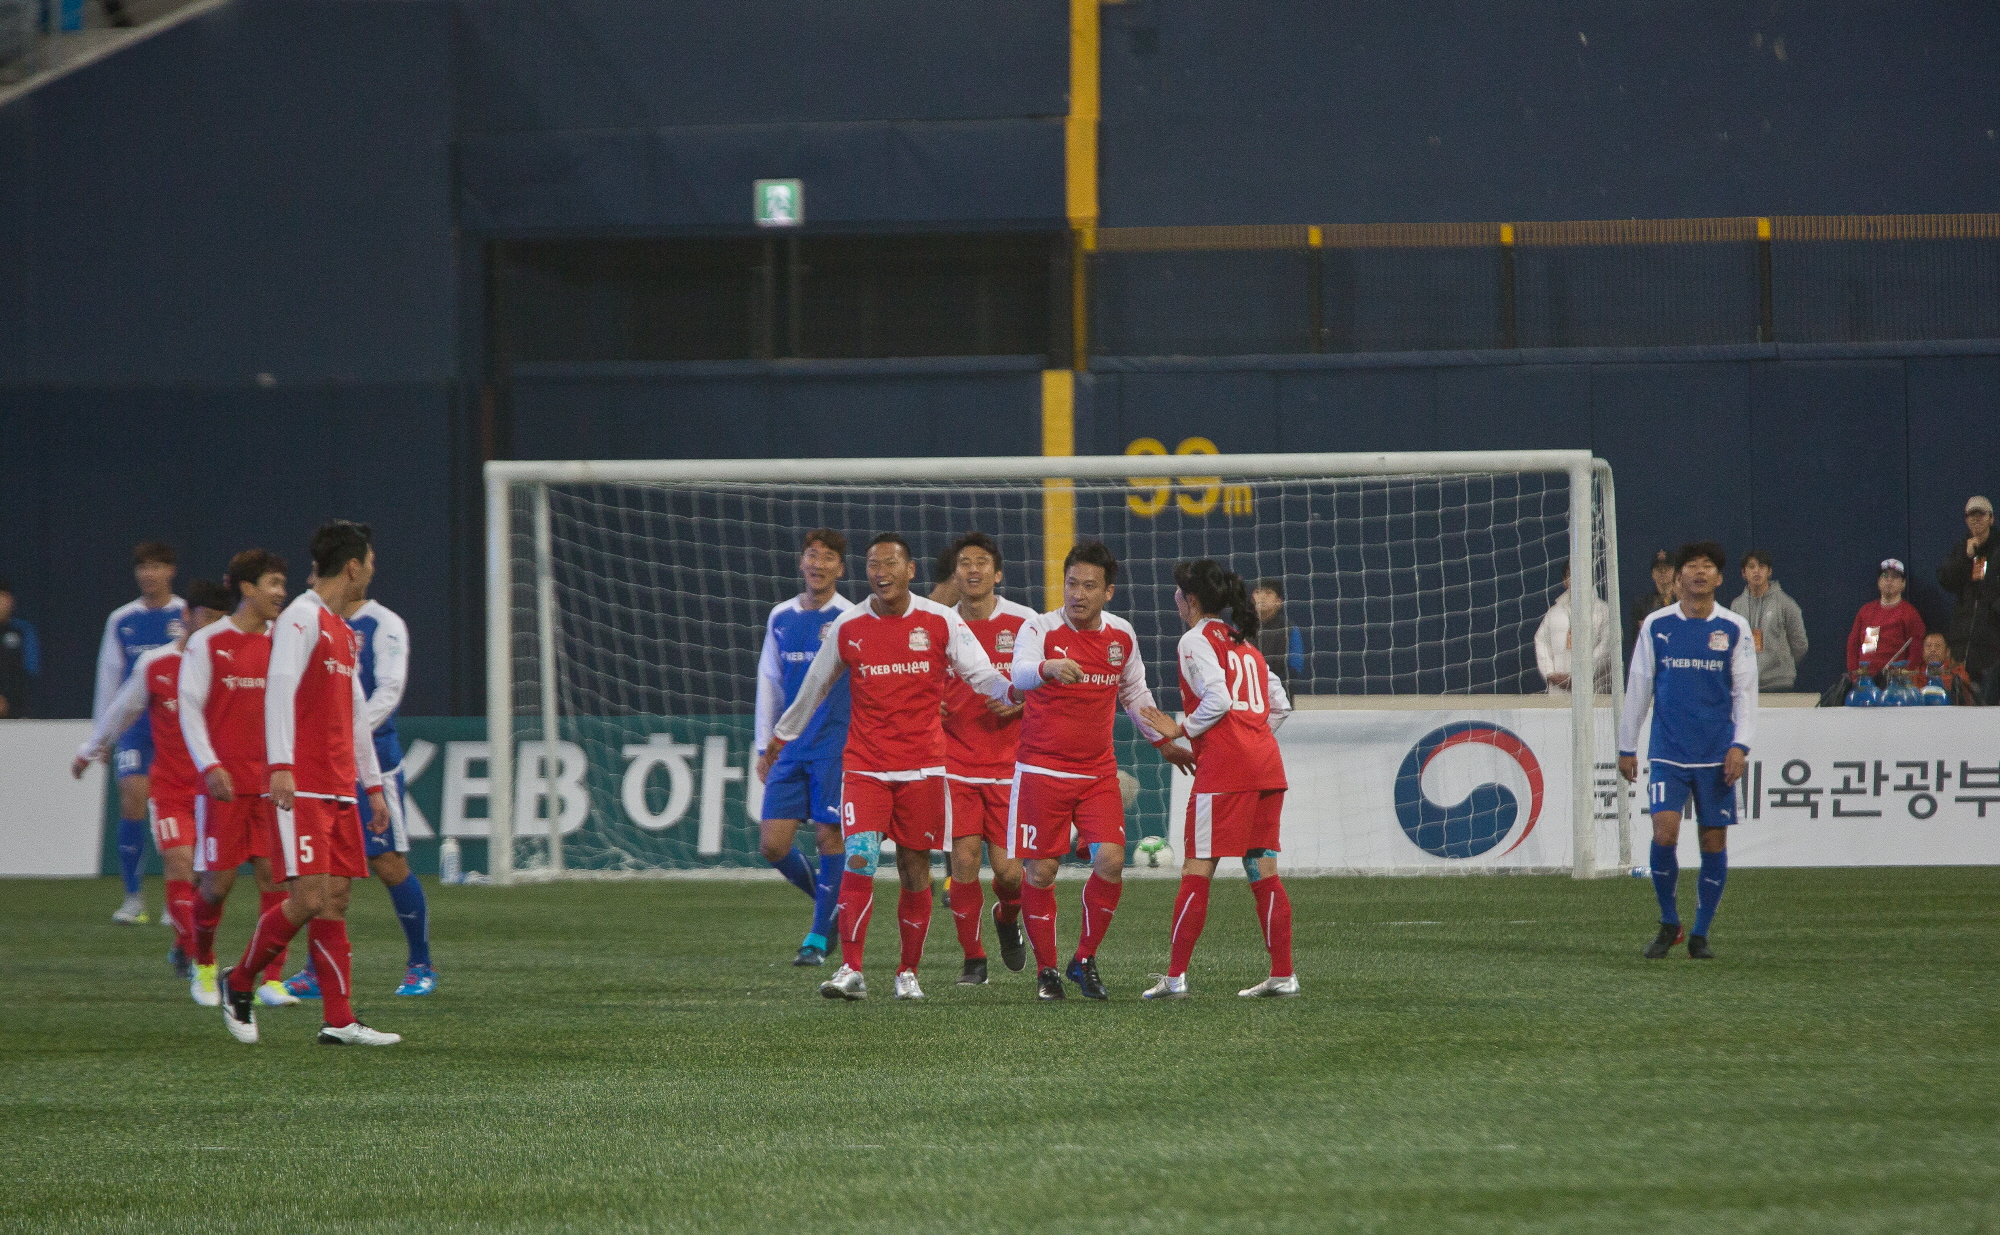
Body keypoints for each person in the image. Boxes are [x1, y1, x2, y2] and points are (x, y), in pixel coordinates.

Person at [764, 532, 1014, 1002]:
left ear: (910, 571)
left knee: (914, 868)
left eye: (890, 564)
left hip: (923, 769)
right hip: (865, 768)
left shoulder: (940, 621)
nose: (881, 572)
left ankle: (907, 971)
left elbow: (980, 674)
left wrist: (1017, 693)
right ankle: (851, 969)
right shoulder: (849, 626)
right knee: (858, 859)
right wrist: (781, 735)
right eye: (874, 565)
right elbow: (814, 686)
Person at [221, 520, 398, 1046]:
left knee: (335, 900)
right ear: (352, 567)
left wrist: (372, 786)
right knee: (308, 898)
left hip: (340, 785)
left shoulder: (343, 630)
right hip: (304, 785)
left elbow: (354, 711)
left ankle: (339, 1019)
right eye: (368, 564)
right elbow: (278, 687)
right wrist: (281, 765)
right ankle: (239, 980)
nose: (371, 574)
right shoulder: (301, 617)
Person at [1006, 541, 1196, 1001]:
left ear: (1108, 592)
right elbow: (1019, 672)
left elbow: (1135, 695)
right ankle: (1046, 971)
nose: (1078, 593)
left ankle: (1083, 959)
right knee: (1041, 871)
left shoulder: (1121, 636)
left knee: (1111, 860)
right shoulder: (1040, 627)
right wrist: (1049, 668)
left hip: (1096, 772)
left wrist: (1164, 742)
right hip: (1041, 769)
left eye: (1089, 586)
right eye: (1072, 583)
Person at [1135, 559, 1296, 1000]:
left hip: (1226, 772)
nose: (1174, 599)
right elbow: (1279, 705)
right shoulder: (1243, 643)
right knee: (1262, 869)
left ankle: (1174, 977)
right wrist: (1251, 738)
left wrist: (1181, 729)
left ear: (1190, 600)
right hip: (1266, 767)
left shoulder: (1195, 639)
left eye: (1178, 593)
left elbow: (1219, 699)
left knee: (1197, 869)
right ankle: (1283, 974)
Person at [283, 559, 435, 998]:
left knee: (389, 863)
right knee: (325, 874)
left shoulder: (384, 624)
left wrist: (348, 733)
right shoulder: (313, 621)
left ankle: (420, 964)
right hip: (322, 766)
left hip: (373, 761)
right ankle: (316, 971)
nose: (311, 579)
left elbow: (389, 689)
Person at [73, 579, 234, 983]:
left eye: (220, 620)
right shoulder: (157, 664)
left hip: (214, 791)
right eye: (206, 618)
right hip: (172, 789)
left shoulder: (229, 663)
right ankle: (199, 958)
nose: (212, 627)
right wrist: (91, 748)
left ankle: (183, 944)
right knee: (178, 864)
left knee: (206, 879)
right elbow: (122, 709)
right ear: (187, 616)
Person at [1618, 541, 1757, 961]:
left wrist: (1740, 745)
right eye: (1691, 566)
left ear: (1718, 577)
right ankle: (1668, 922)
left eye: (1708, 566)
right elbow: (1639, 687)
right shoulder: (1657, 625)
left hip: (1717, 753)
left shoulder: (1734, 627)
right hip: (1668, 750)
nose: (1700, 572)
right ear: (1678, 577)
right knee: (1665, 831)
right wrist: (1627, 745)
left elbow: (1745, 693)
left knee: (1713, 841)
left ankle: (1700, 932)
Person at [179, 550, 296, 1008]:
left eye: (283, 583)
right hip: (224, 786)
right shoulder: (208, 642)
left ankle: (270, 978)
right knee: (217, 886)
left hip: (270, 786)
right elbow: (189, 707)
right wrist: (210, 765)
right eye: (272, 582)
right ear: (247, 589)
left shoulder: (282, 644)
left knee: (276, 881)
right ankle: (203, 961)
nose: (281, 593)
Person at [751, 529, 853, 967]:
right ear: (801, 562)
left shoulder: (851, 617)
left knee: (829, 837)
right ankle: (834, 908)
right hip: (788, 747)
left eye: (828, 557)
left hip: (834, 745)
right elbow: (769, 682)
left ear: (840, 569)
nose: (819, 564)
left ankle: (816, 937)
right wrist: (763, 746)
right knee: (773, 845)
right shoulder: (781, 616)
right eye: (813, 555)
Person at [939, 531, 1036, 985]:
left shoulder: (1025, 622)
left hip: (1011, 765)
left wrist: (1021, 703)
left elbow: (1052, 686)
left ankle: (1005, 916)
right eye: (964, 563)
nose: (972, 570)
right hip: (954, 760)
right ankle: (973, 958)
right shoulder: (936, 623)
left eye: (981, 563)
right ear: (955, 574)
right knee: (963, 861)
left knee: (1011, 875)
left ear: (997, 573)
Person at [95, 540, 187, 924]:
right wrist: (103, 734)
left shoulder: (186, 614)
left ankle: (176, 899)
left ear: (171, 571)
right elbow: (110, 677)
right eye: (142, 567)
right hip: (134, 727)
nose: (148, 574)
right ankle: (133, 898)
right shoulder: (122, 619)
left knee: (173, 810)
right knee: (133, 798)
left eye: (156, 566)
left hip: (174, 724)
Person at [1937, 495, 1998, 704]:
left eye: (1981, 514)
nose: (1976, 519)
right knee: (1963, 704)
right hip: (1964, 644)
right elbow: (1946, 581)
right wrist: (1966, 557)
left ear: (1991, 518)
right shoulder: (1961, 548)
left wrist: (1993, 610)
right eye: (1971, 515)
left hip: (1993, 642)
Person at [1729, 550, 1809, 692]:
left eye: (1761, 566)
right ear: (1743, 573)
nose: (1756, 571)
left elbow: (1800, 644)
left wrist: (1783, 665)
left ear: (1769, 572)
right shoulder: (1736, 605)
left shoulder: (1786, 604)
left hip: (1779, 683)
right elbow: (1734, 643)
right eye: (1751, 567)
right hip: (1746, 683)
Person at [1532, 560, 1613, 695]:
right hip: (1558, 690)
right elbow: (1541, 640)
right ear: (1565, 581)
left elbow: (1607, 647)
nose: (1576, 579)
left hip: (1593, 691)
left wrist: (1581, 676)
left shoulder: (1604, 611)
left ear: (1591, 578)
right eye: (1570, 575)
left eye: (1581, 574)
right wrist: (1550, 673)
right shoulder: (1554, 612)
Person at [1845, 559, 1927, 683]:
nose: (1889, 580)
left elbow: (1916, 651)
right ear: (1879, 582)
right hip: (1865, 679)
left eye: (1895, 577)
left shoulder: (1910, 614)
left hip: (1895, 681)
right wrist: (1855, 677)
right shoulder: (1866, 611)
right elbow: (1852, 646)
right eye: (1884, 576)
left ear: (1903, 583)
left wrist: (1904, 676)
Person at [1251, 579, 1305, 692]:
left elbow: (1295, 667)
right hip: (1248, 694)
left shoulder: (1289, 629)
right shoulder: (1241, 628)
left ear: (1279, 602)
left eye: (1268, 593)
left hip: (1279, 694)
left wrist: (1268, 684)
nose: (1262, 597)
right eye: (1257, 592)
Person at [1625, 549, 1676, 662]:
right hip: (1652, 659)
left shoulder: (1684, 603)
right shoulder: (1642, 604)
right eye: (1658, 568)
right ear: (1652, 574)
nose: (1662, 571)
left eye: (1667, 568)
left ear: (1675, 572)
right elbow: (1637, 642)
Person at [0, 577, 39, 718]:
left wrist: (7, 700)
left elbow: (30, 672)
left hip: (16, 711)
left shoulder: (22, 631)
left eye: (4, 596)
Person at [1921, 632, 1981, 706]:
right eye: (1928, 646)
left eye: (1938, 646)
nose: (1933, 650)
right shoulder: (1914, 673)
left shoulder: (1957, 672)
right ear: (1923, 652)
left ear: (1947, 652)